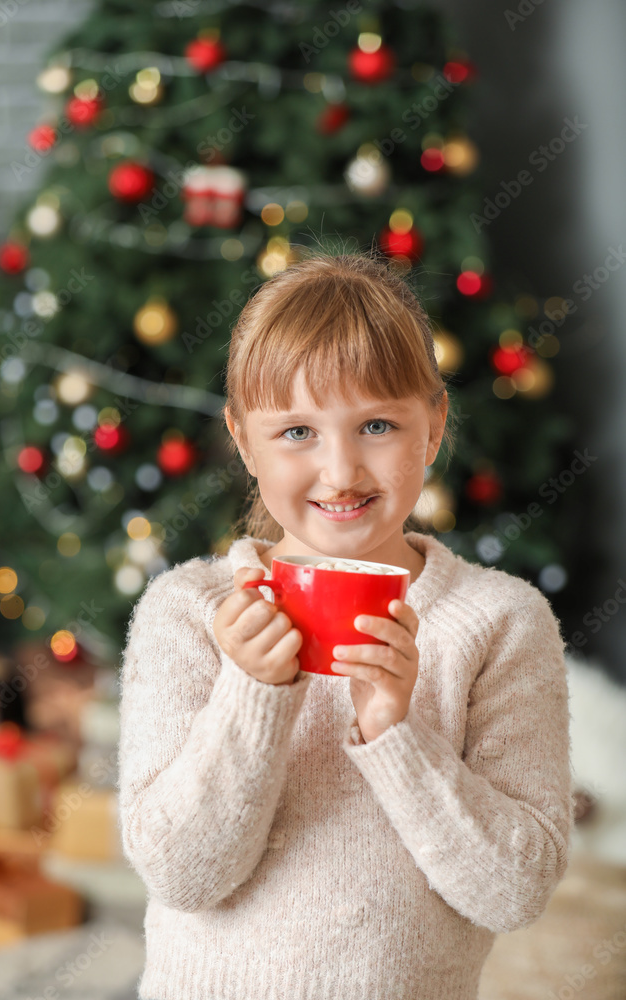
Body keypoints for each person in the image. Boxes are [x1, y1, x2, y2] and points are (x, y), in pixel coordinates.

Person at [117, 248, 574, 1000]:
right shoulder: (188, 613)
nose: (340, 472)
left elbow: (514, 891)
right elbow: (180, 873)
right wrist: (251, 693)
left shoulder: (499, 623)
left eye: (376, 425)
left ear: (431, 428)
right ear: (243, 441)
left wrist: (398, 734)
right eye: (296, 432)